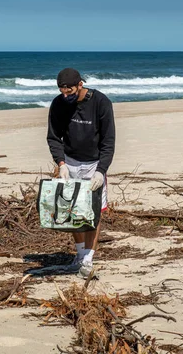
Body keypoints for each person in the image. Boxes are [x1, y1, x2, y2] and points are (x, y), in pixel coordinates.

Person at [47, 68, 116, 278]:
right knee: (72, 212)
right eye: (62, 92)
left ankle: (89, 259)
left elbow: (108, 142)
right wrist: (61, 164)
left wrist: (101, 171)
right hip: (70, 163)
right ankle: (80, 254)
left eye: (70, 92)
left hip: (95, 164)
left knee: (93, 213)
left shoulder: (101, 103)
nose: (66, 96)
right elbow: (53, 137)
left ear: (80, 85)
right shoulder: (58, 103)